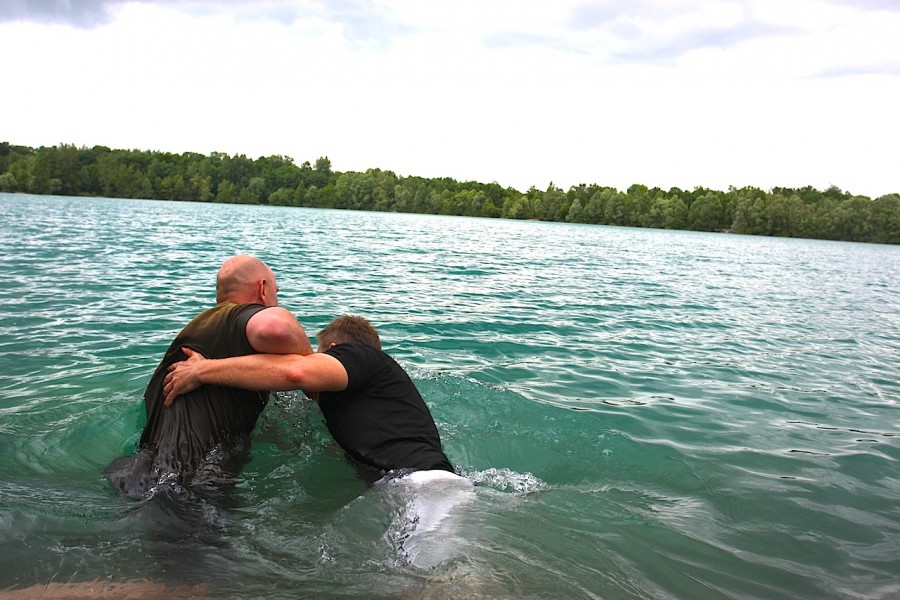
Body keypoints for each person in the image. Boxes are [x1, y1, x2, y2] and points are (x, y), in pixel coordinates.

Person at [103, 255, 313, 499]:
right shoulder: (237, 318)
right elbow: (277, 328)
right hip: (192, 489)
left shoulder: (197, 335)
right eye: (278, 292)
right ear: (263, 289)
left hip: (136, 478)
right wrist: (310, 365)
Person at [161, 315, 457, 485]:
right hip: (409, 485)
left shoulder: (360, 355)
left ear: (332, 349)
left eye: (317, 352)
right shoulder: (366, 401)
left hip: (424, 486)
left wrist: (203, 370)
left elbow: (295, 373)